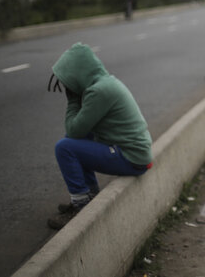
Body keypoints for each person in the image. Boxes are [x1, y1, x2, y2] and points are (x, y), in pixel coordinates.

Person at [46, 43, 153, 230]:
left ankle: (80, 207)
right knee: (75, 142)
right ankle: (89, 196)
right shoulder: (105, 83)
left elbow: (74, 130)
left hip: (131, 157)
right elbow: (78, 133)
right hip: (134, 152)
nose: (66, 85)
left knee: (64, 147)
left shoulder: (99, 91)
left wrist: (72, 100)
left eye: (68, 80)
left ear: (78, 74)